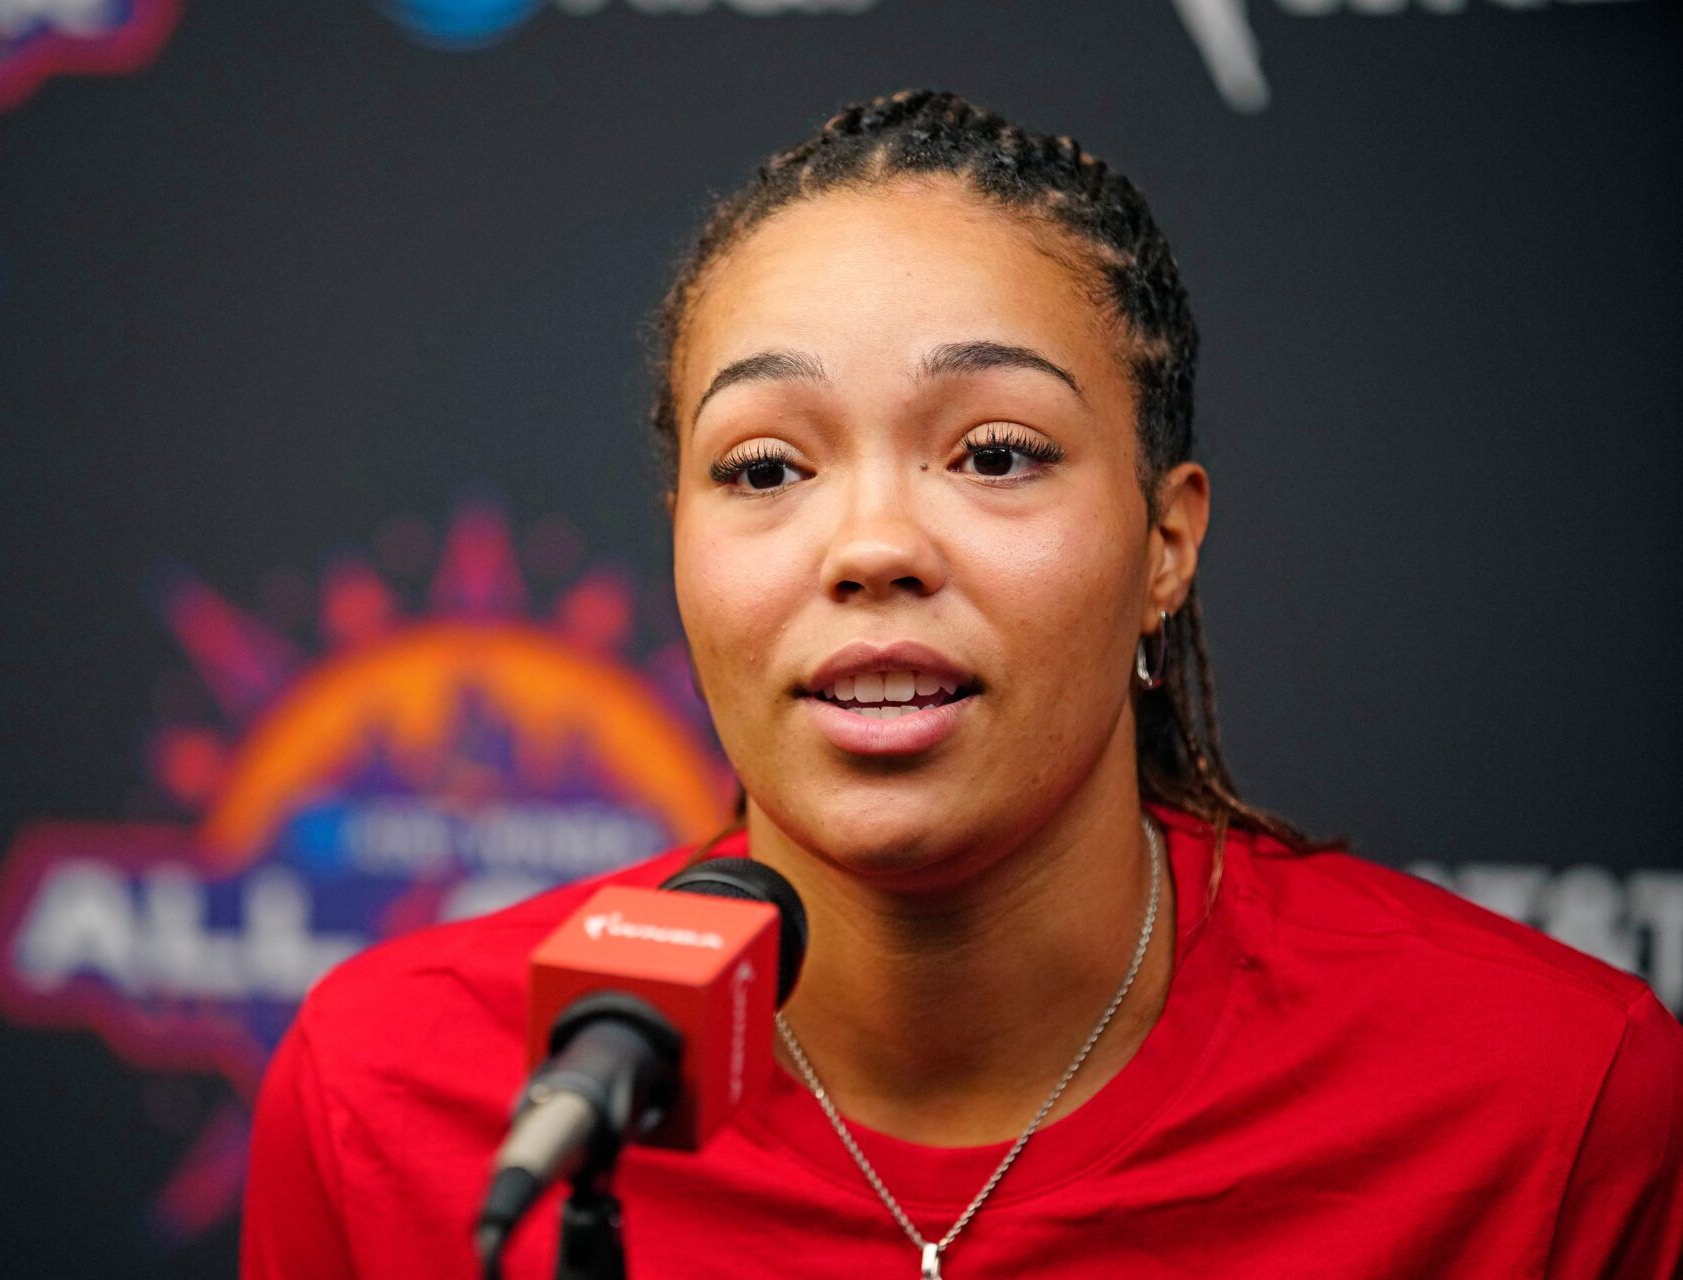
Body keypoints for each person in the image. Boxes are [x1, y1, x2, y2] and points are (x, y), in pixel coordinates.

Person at [241, 90, 1683, 1278]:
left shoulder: (1553, 1100)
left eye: (995, 454)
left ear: (1166, 543)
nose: (872, 547)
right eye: (764, 469)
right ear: (678, 541)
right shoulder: (399, 1093)